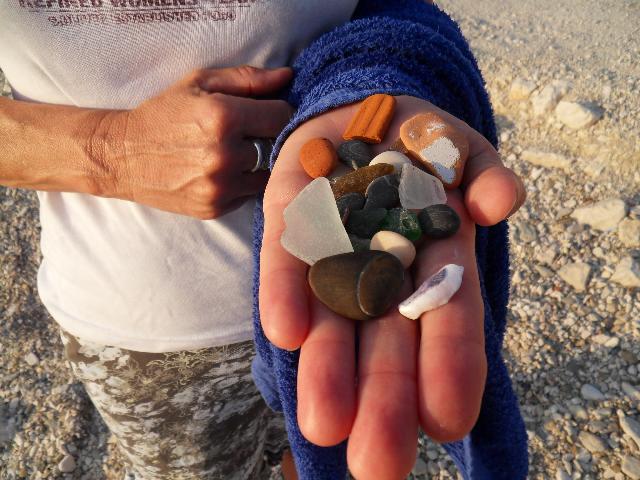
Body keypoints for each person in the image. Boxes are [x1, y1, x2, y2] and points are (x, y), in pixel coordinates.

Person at [0, 1, 525, 479]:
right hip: (137, 328)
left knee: (312, 450)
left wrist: (381, 73)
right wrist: (108, 152)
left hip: (314, 314)